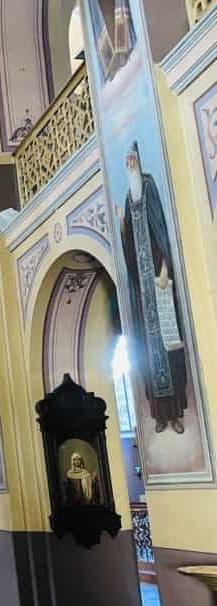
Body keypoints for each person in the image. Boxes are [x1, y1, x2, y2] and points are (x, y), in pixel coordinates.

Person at [120, 142, 187, 434]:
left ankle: (175, 413)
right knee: (147, 354)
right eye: (127, 161)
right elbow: (129, 243)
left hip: (158, 282)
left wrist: (164, 269)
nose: (130, 164)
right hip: (142, 288)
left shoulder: (148, 186)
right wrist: (124, 231)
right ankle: (160, 416)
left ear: (139, 160)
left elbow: (159, 228)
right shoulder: (127, 195)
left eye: (133, 159)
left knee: (169, 351)